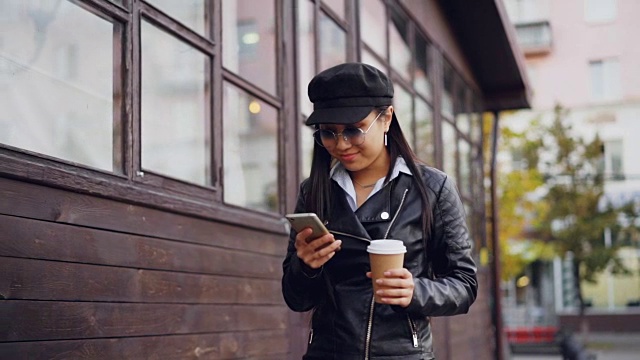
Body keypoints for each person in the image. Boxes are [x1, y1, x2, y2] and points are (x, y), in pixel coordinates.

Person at [282, 62, 478, 359]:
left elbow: (464, 285)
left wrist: (416, 291)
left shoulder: (432, 188)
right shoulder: (313, 192)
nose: (341, 144)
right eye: (328, 133)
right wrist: (306, 266)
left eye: (353, 130)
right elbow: (296, 299)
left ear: (386, 118)